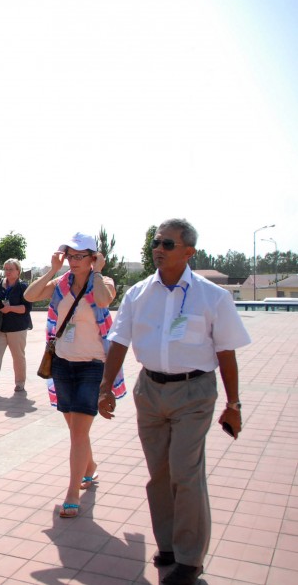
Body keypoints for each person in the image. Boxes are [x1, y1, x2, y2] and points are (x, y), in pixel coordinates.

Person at [98, 219, 251, 585]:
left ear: (188, 252)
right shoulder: (138, 294)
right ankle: (168, 544)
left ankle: (189, 559)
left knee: (185, 472)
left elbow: (226, 351)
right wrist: (106, 388)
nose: (159, 249)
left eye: (168, 243)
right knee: (160, 475)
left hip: (194, 392)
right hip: (149, 391)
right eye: (156, 242)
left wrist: (234, 404)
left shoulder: (213, 296)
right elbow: (119, 341)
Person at [23, 232, 126, 518]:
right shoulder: (61, 283)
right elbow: (29, 295)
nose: (74, 260)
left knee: (79, 430)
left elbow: (104, 302)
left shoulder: (102, 282)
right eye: (70, 255)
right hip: (62, 364)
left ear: (94, 258)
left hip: (92, 365)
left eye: (81, 256)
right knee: (75, 429)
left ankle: (72, 492)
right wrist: (53, 270)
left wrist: (98, 272)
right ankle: (89, 467)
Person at [0, 259, 32, 394]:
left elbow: (26, 308)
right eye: (6, 269)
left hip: (17, 328)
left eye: (11, 269)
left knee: (18, 356)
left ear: (18, 271)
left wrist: (9, 308)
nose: (8, 272)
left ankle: (20, 383)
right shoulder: (0, 283)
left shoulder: (23, 286)